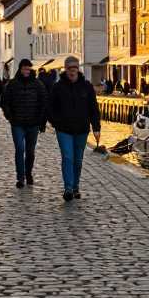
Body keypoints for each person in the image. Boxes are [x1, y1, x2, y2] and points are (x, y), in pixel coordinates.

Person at [47, 55, 101, 202]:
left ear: (78, 69)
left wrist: (96, 127)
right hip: (64, 130)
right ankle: (68, 188)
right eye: (70, 68)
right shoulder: (58, 88)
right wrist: (57, 124)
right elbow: (50, 109)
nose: (72, 71)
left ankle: (76, 186)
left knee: (78, 160)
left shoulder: (87, 87)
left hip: (82, 129)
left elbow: (93, 109)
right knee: (67, 157)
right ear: (65, 69)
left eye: (75, 68)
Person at [1, 58, 49, 188]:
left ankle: (29, 174)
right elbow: (4, 101)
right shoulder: (12, 84)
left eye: (28, 68)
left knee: (30, 152)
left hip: (33, 123)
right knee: (19, 150)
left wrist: (41, 120)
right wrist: (9, 116)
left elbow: (44, 102)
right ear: (20, 69)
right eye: (24, 68)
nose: (26, 71)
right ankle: (20, 177)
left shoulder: (37, 84)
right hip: (17, 123)